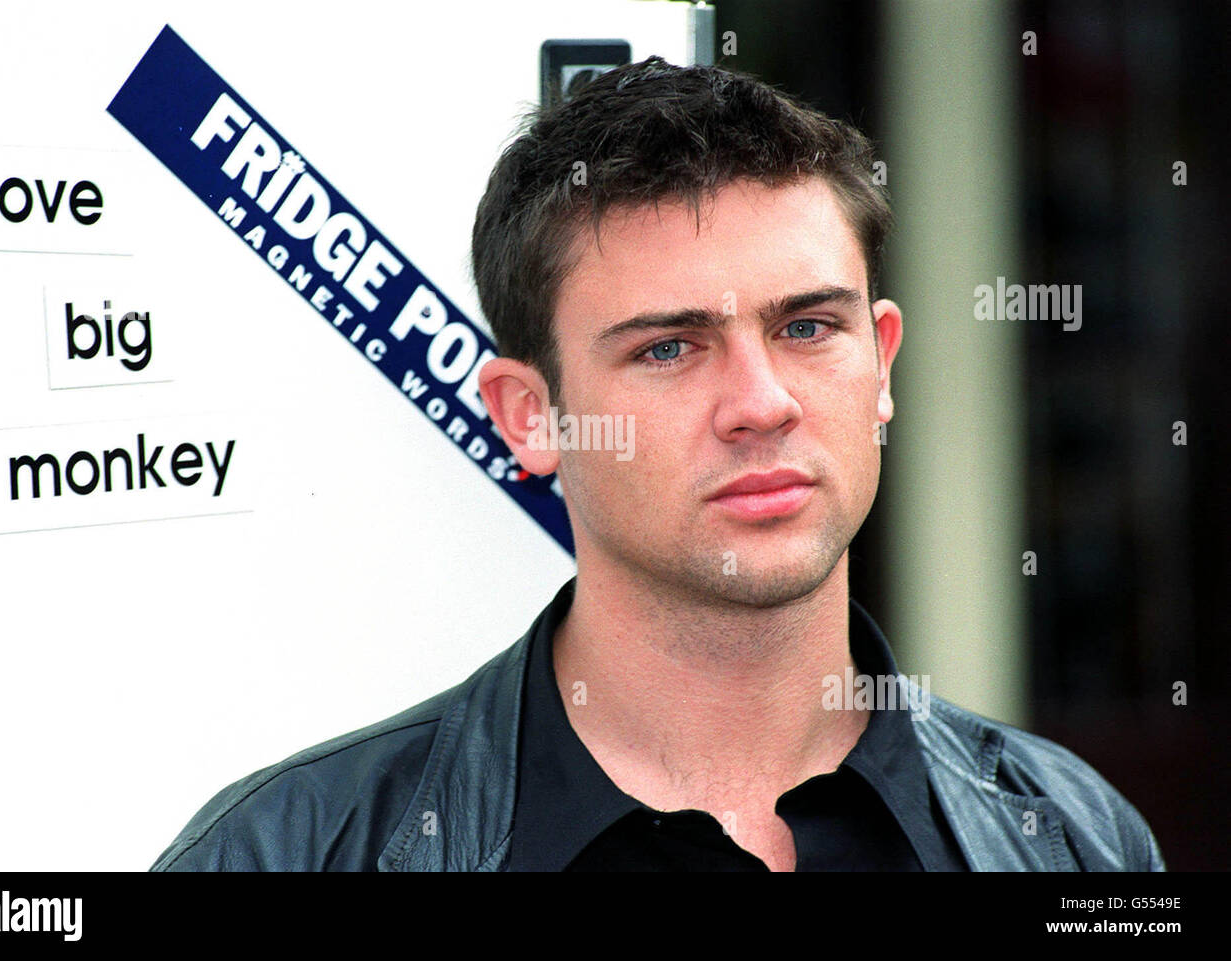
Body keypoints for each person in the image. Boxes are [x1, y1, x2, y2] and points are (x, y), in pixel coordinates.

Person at [151, 56, 1164, 872]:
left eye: (808, 326)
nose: (761, 402)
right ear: (528, 414)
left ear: (883, 364)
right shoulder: (285, 851)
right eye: (667, 348)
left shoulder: (1075, 836)